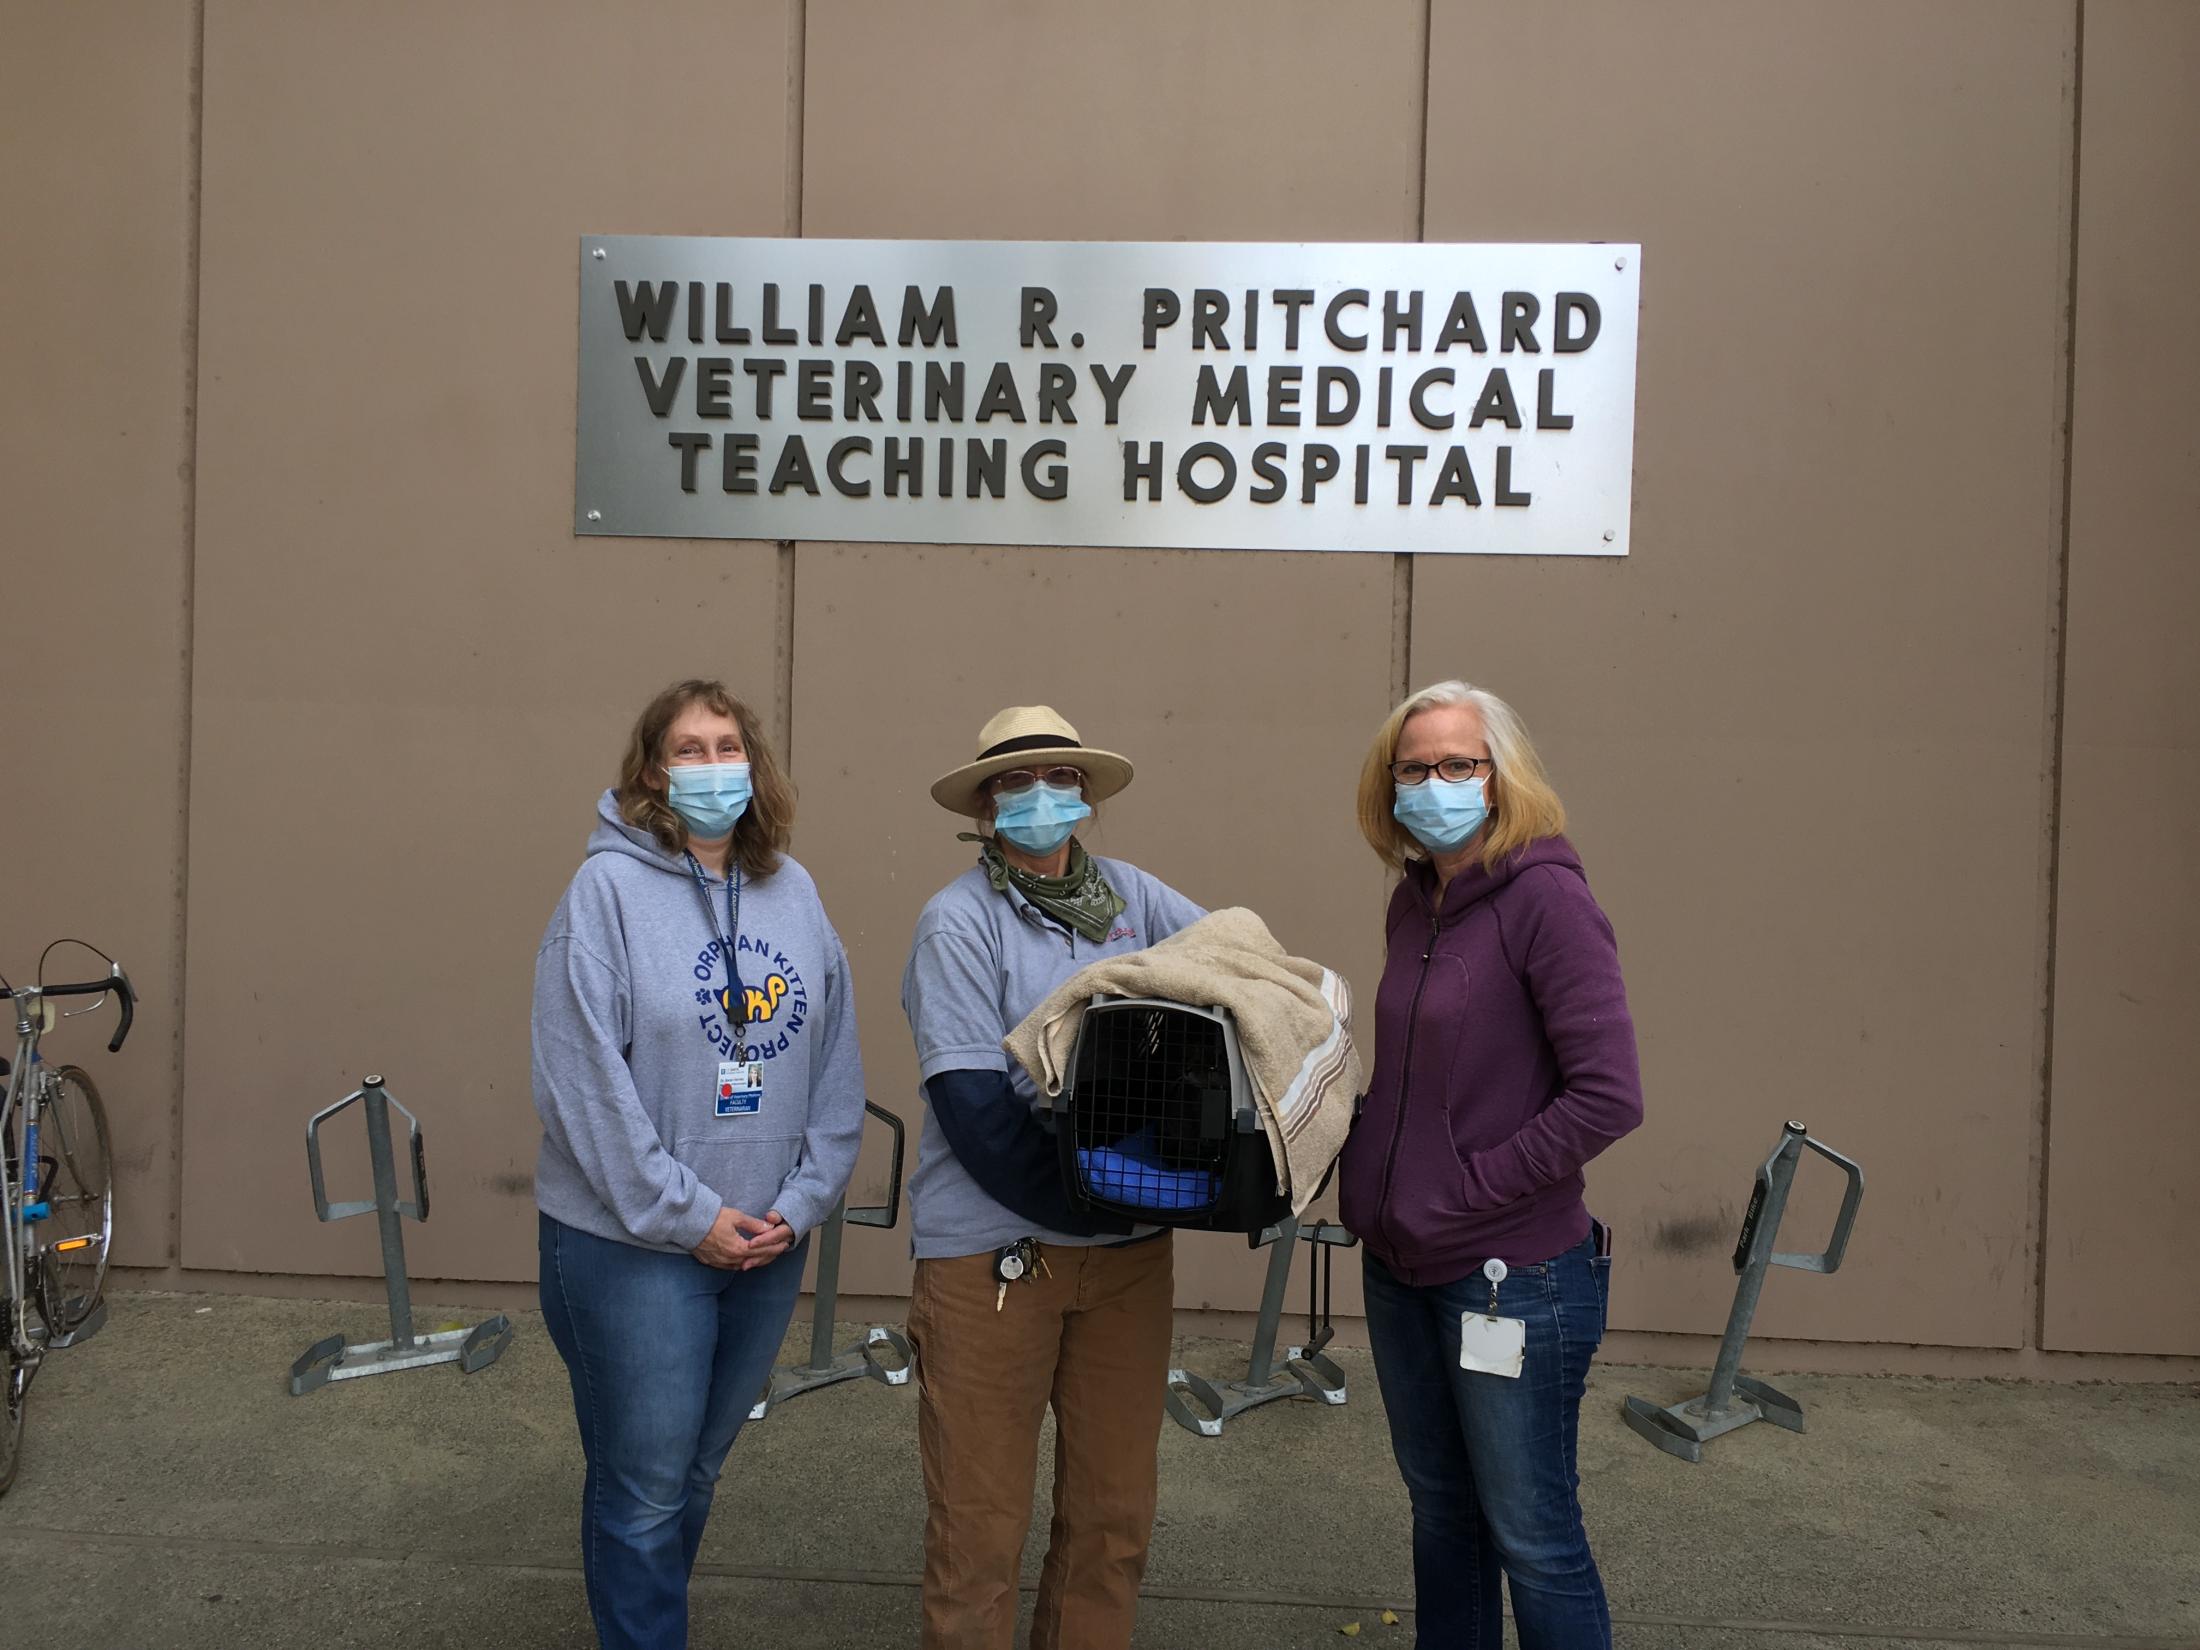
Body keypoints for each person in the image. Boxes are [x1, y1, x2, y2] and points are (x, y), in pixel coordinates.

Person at [531, 678, 865, 1650]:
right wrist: (688, 1216)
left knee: (695, 1474)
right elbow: (581, 1085)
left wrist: (802, 1204)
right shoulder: (603, 895)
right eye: (690, 749)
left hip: (766, 1242)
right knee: (641, 1491)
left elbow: (834, 1063)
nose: (714, 766)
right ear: (649, 773)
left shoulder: (792, 890)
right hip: (632, 1251)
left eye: (729, 747)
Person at [1339, 679, 1644, 1650]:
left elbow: (1608, 1095)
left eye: (1457, 764)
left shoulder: (1546, 899)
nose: (1435, 784)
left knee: (1534, 1537)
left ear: (1500, 778)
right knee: (1443, 1514)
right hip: (1401, 1269)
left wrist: (1465, 1191)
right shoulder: (1413, 903)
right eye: (1414, 768)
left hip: (1514, 1279)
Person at [899, 705, 1205, 1650]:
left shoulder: (1137, 900)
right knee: (978, 1528)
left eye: (1059, 777)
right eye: (1016, 782)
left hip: (1126, 1256)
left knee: (1113, 1517)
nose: (1041, 796)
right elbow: (976, 1112)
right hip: (997, 1253)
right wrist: (1103, 1190)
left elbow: (1232, 975)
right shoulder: (958, 923)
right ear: (987, 805)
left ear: (1085, 793)